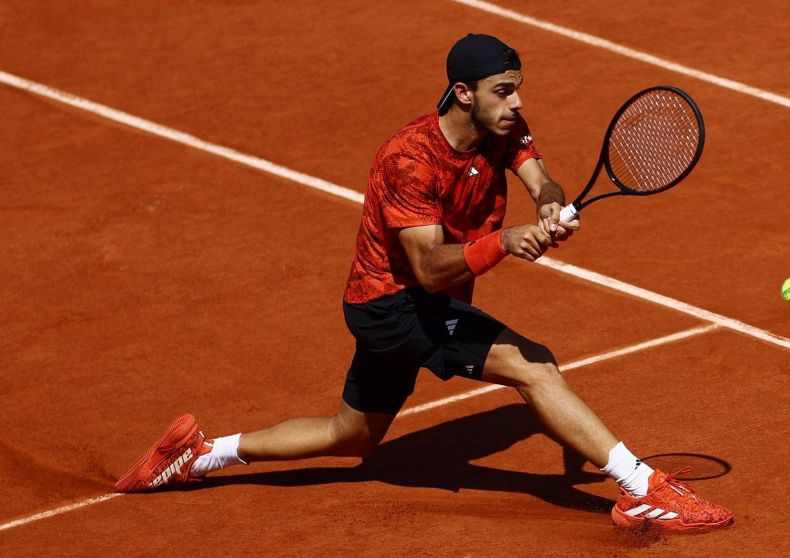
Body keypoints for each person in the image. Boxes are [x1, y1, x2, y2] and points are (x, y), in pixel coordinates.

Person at [115, 33, 733, 533]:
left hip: (410, 303)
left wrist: (548, 204)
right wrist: (507, 241)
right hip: (397, 304)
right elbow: (430, 267)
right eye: (502, 92)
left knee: (351, 436)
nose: (517, 104)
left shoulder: (503, 127)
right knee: (533, 365)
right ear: (463, 93)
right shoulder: (407, 160)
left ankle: (199, 454)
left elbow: (541, 177)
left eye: (518, 90)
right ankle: (642, 488)